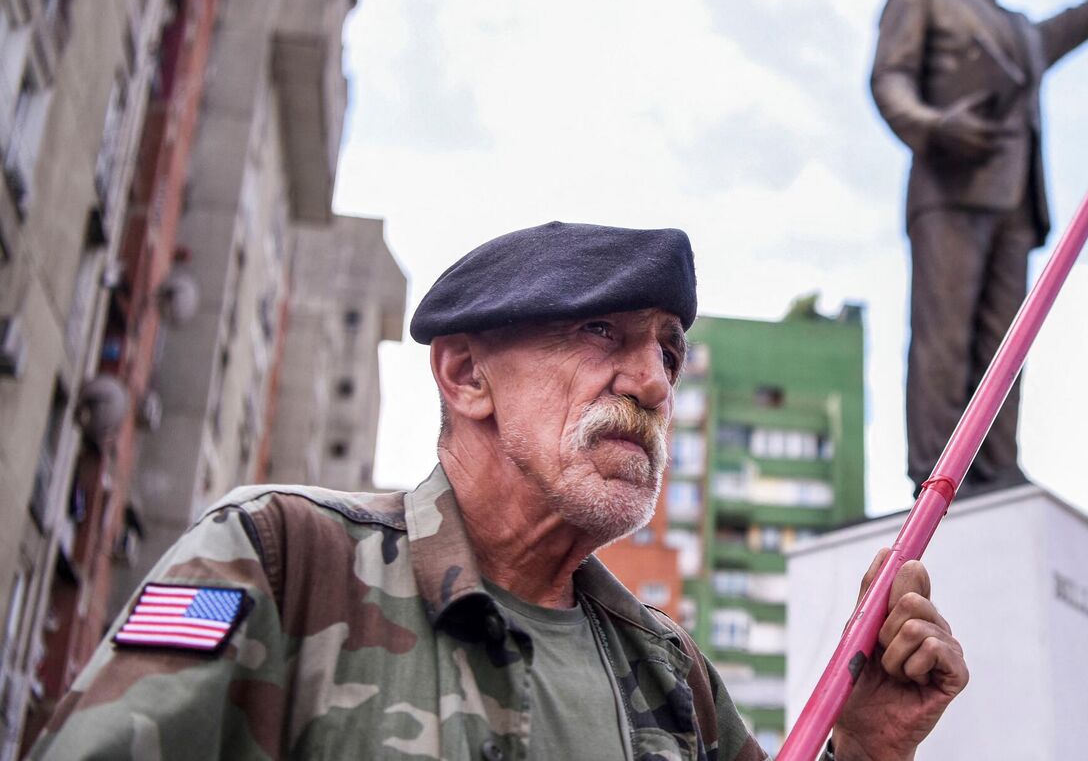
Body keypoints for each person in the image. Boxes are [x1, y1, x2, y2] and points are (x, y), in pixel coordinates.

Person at [30, 222, 968, 760]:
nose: (652, 381)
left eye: (668, 353)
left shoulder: (672, 677)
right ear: (467, 373)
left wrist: (870, 745)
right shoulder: (282, 560)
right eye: (604, 332)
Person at [871, 0, 1088, 495]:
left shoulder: (1022, 30)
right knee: (943, 340)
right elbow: (889, 77)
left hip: (1016, 202)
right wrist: (932, 124)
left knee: (1004, 349)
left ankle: (997, 465)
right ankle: (938, 471)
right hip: (951, 188)